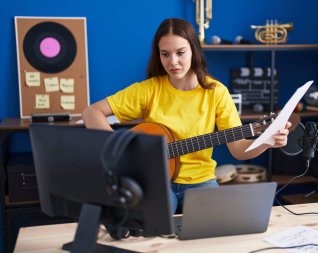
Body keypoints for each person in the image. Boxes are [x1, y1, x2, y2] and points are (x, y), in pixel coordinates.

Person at [82, 18, 290, 214]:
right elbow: (92, 112)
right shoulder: (149, 89)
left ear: (194, 50)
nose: (173, 62)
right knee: (156, 224)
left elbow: (238, 150)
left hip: (202, 181)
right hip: (155, 181)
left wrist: (266, 141)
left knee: (214, 228)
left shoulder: (216, 92)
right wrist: (121, 154)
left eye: (180, 52)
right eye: (165, 54)